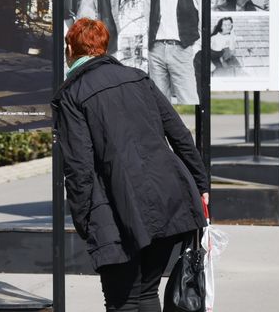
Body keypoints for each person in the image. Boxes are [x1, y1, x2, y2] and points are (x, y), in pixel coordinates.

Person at [52, 18, 209, 312]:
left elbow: (79, 166)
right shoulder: (138, 78)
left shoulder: (72, 94)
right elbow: (179, 134)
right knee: (147, 291)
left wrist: (84, 218)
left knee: (121, 300)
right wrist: (201, 185)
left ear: (70, 50)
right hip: (166, 198)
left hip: (113, 208)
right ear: (103, 47)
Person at [143, 0, 201, 105]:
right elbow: (149, 23)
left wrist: (195, 48)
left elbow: (205, 21)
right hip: (157, 51)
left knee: (188, 100)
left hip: (182, 49)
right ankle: (163, 132)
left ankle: (193, 130)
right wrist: (152, 49)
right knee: (159, 103)